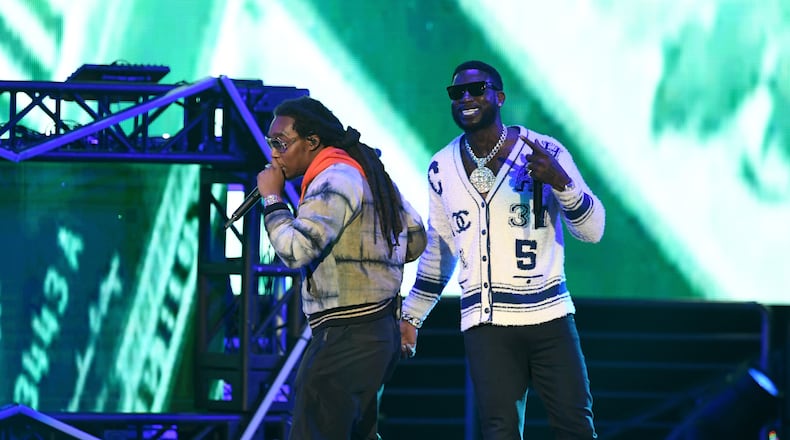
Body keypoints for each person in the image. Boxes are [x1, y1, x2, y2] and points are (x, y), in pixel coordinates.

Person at [399, 60, 605, 439]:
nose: (466, 98)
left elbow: (593, 231)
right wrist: (411, 316)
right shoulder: (441, 167)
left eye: (477, 90)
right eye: (456, 93)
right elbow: (440, 249)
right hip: (487, 324)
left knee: (576, 427)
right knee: (499, 432)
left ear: (499, 96)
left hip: (550, 317)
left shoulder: (544, 150)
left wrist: (560, 181)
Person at [256, 96, 427, 440]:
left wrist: (273, 199)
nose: (274, 153)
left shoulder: (333, 179)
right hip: (376, 334)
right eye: (270, 143)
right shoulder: (363, 170)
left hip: (347, 335)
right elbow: (415, 239)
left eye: (281, 143)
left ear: (313, 142)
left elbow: (295, 251)